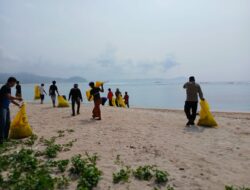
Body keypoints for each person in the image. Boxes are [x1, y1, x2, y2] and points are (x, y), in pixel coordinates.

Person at [0, 77, 23, 144]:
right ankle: (1, 139)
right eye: (14, 83)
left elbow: (9, 99)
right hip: (2, 107)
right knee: (2, 123)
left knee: (8, 123)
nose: (14, 85)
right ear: (11, 82)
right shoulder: (5, 87)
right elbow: (9, 97)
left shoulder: (8, 88)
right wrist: (18, 98)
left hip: (6, 108)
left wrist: (17, 104)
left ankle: (5, 137)